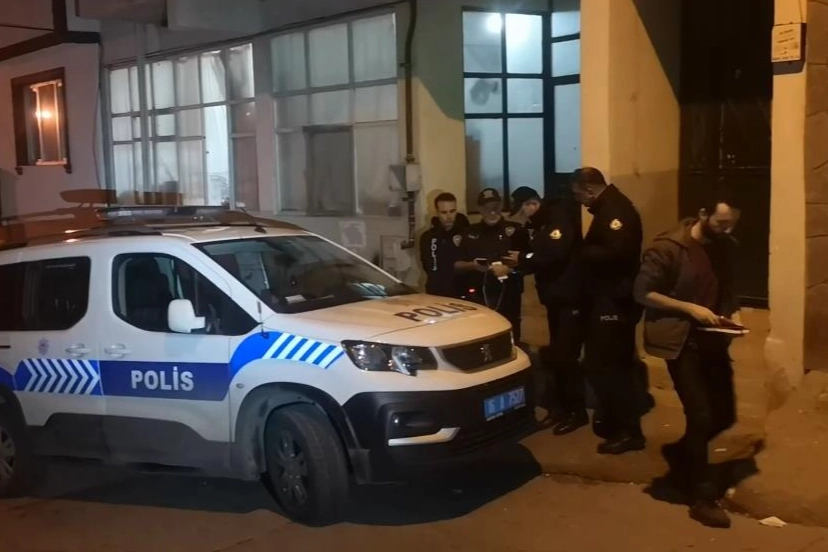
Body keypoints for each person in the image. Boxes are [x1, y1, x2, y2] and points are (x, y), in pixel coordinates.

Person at [634, 189, 742, 529]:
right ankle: (701, 496)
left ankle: (682, 454)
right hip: (680, 341)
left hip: (713, 339)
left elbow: (727, 287)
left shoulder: (725, 246)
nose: (727, 229)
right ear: (703, 214)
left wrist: (733, 317)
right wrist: (689, 308)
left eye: (731, 224)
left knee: (725, 414)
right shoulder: (668, 248)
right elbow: (642, 292)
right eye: (721, 223)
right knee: (701, 414)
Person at [570, 167, 645, 455]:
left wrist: (580, 253)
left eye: (578, 194)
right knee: (607, 364)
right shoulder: (608, 207)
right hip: (607, 298)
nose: (578, 200)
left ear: (589, 189)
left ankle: (629, 431)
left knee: (611, 367)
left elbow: (618, 252)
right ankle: (615, 420)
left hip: (614, 301)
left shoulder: (616, 211)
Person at [518, 195, 587, 435]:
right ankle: (560, 409)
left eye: (527, 205)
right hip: (556, 300)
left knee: (566, 357)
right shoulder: (541, 224)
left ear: (535, 204)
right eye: (523, 207)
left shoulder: (557, 219)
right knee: (558, 357)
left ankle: (576, 412)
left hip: (569, 300)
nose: (526, 211)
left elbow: (553, 254)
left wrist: (523, 258)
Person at [456, 188, 529, 343]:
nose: (493, 212)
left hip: (508, 294)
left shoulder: (516, 231)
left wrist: (509, 269)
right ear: (480, 209)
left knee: (509, 336)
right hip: (478, 295)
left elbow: (529, 262)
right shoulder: (469, 233)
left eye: (496, 207)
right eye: (487, 208)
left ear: (501, 206)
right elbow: (456, 265)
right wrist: (473, 266)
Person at [419, 192, 469, 298]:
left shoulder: (467, 234)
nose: (449, 216)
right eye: (444, 212)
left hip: (461, 291)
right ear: (437, 212)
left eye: (452, 211)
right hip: (435, 292)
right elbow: (428, 266)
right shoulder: (427, 237)